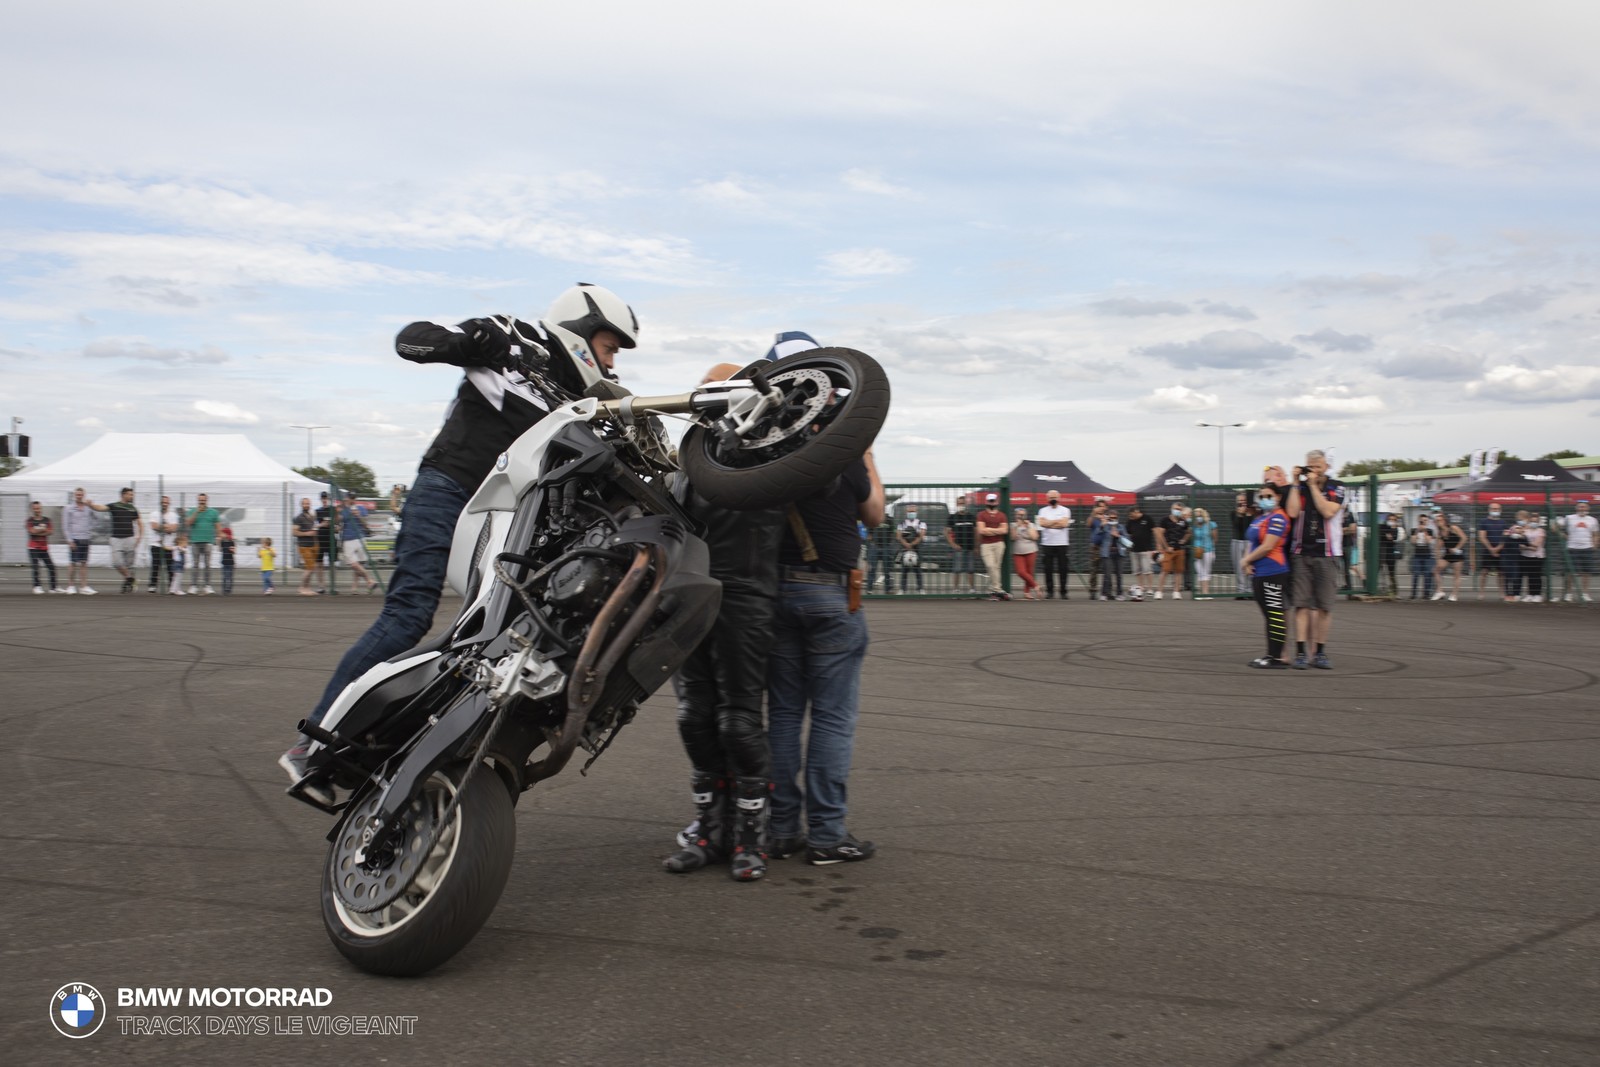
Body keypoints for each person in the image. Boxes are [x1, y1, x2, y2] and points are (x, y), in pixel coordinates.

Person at [281, 282, 640, 791]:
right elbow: (412, 339)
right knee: (408, 614)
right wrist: (470, 342)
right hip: (448, 490)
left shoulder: (585, 401)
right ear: (582, 330)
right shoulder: (514, 339)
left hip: (511, 520)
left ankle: (406, 741)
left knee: (496, 636)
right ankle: (315, 741)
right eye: (609, 347)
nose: (610, 362)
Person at [663, 360, 789, 882]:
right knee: (693, 716)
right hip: (689, 593)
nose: (707, 398)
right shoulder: (689, 454)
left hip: (746, 596)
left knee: (738, 721)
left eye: (717, 389)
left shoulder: (774, 447)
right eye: (703, 390)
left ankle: (749, 839)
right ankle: (708, 832)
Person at [767, 448, 886, 865]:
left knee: (783, 714)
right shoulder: (840, 455)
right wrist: (867, 455)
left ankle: (780, 829)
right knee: (832, 718)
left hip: (776, 593)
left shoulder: (765, 460)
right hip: (831, 592)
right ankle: (826, 833)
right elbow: (874, 514)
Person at [1275, 450, 1345, 670]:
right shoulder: (1301, 488)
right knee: (1301, 605)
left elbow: (1328, 511)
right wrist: (1296, 483)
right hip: (1301, 552)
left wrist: (1314, 486)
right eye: (1310, 467)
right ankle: (1301, 652)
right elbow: (1293, 512)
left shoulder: (1337, 487)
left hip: (1328, 553)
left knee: (1324, 606)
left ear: (1326, 467)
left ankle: (1320, 652)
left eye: (1317, 467)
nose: (1313, 471)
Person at [1240, 483, 1291, 668]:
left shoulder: (1279, 518)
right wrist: (1248, 562)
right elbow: (1251, 542)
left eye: (1269, 496)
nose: (1264, 500)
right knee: (1269, 615)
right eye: (1261, 497)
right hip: (1259, 572)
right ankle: (1271, 654)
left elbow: (1268, 545)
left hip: (1273, 571)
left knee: (1275, 614)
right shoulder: (1260, 518)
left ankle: (1277, 657)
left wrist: (1246, 560)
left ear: (1278, 497)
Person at [92, 488, 142, 594]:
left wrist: (139, 536)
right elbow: (101, 508)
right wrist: (91, 505)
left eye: (132, 495)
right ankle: (130, 579)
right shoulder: (114, 505)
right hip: (116, 538)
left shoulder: (132, 508)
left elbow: (139, 523)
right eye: (130, 494)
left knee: (129, 564)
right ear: (123, 495)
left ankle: (127, 584)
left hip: (129, 538)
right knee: (117, 563)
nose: (132, 496)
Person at [338, 493, 379, 593]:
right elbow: (338, 522)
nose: (352, 500)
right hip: (347, 539)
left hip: (360, 538)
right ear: (347, 498)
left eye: (353, 498)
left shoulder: (361, 508)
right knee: (353, 564)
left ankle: (355, 587)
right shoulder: (343, 510)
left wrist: (358, 515)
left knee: (359, 564)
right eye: (350, 498)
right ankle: (369, 580)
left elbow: (366, 525)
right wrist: (337, 512)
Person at [1035, 490, 1072, 600]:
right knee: (1048, 568)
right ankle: (1050, 591)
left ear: (1059, 498)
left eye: (1055, 497)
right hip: (1047, 543)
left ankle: (1063, 591)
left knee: (1063, 568)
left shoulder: (1065, 510)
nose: (1053, 499)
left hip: (1062, 543)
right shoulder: (1042, 510)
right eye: (1051, 497)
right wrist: (1056, 522)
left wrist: (1049, 523)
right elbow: (1042, 523)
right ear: (1047, 499)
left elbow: (1064, 524)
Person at [1558, 499, 1596, 602]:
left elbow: (1596, 534)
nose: (1582, 508)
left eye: (1584, 506)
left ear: (1588, 508)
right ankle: (1568, 594)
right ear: (1576, 508)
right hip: (1572, 548)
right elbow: (1555, 526)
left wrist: (1594, 545)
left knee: (1586, 573)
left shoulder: (1592, 520)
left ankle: (1585, 594)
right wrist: (1564, 535)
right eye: (1580, 506)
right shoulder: (1569, 518)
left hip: (1587, 548)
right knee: (1570, 572)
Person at [183, 492, 221, 594]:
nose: (202, 502)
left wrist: (218, 537)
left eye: (203, 500)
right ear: (197, 501)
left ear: (207, 500)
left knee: (207, 565)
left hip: (208, 541)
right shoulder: (192, 511)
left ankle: (207, 585)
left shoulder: (213, 512)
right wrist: (197, 512)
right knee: (195, 564)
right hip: (195, 541)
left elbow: (218, 526)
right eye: (200, 500)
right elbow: (188, 523)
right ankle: (194, 585)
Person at [62, 487, 96, 594]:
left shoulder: (88, 508)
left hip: (85, 538)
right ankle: (70, 586)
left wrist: (91, 506)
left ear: (84, 495)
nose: (79, 496)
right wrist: (69, 540)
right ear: (74, 495)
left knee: (84, 563)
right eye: (77, 495)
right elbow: (65, 525)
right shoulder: (68, 508)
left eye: (81, 495)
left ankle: (83, 586)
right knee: (73, 563)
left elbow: (95, 519)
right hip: (74, 539)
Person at [977, 493, 1010, 601]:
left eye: (993, 501)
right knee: (991, 566)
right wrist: (996, 530)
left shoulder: (1002, 515)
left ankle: (993, 591)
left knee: (996, 567)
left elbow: (1004, 530)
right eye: (990, 501)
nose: (992, 503)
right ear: (986, 502)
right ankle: (998, 589)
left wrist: (990, 530)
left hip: (999, 543)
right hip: (986, 544)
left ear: (997, 502)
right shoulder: (981, 514)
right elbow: (981, 530)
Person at [1154, 503, 1190, 600]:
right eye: (1176, 509)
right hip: (1168, 549)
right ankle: (1159, 591)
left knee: (1178, 571)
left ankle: (1176, 592)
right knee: (1165, 570)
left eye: (1179, 509)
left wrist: (1184, 540)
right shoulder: (1165, 520)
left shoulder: (1183, 521)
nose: (1177, 510)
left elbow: (1189, 532)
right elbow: (1160, 534)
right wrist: (1165, 547)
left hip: (1180, 549)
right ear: (1171, 509)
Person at [1476, 502, 1511, 601]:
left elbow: (1506, 537)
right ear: (1489, 510)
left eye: (1497, 509)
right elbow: (1482, 537)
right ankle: (1481, 592)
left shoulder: (1503, 523)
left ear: (1500, 510)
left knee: (1501, 573)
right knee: (1484, 572)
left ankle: (1501, 593)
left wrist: (1498, 548)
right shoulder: (1484, 522)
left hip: (1501, 551)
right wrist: (1491, 549)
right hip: (1487, 551)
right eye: (1494, 509)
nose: (1495, 510)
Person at [945, 495, 979, 595]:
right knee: (957, 569)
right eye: (959, 503)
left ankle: (972, 589)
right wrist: (952, 544)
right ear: (956, 504)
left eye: (963, 503)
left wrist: (976, 546)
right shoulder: (952, 517)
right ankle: (955, 589)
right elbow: (946, 532)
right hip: (958, 548)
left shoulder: (971, 517)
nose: (961, 505)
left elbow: (976, 532)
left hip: (970, 547)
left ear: (966, 504)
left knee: (971, 569)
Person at [26, 501, 61, 594]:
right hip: (33, 547)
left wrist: (38, 530)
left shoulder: (47, 520)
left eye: (38, 508)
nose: (37, 510)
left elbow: (50, 532)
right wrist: (43, 529)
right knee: (36, 567)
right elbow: (32, 531)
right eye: (35, 508)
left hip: (43, 548)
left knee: (51, 567)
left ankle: (53, 587)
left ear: (41, 509)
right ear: (32, 509)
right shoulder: (30, 520)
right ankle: (37, 586)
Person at [1091, 510, 1126, 601]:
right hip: (1107, 553)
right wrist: (1101, 526)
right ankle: (1104, 593)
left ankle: (1119, 593)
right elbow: (1095, 539)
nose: (1113, 519)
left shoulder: (1121, 527)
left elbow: (1128, 543)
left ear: (1117, 517)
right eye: (1111, 517)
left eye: (1114, 517)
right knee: (1107, 574)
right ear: (1107, 518)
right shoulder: (1104, 527)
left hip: (1119, 552)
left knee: (1119, 574)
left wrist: (1118, 536)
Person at [148, 495, 179, 593]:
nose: (164, 504)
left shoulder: (173, 515)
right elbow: (154, 526)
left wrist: (162, 527)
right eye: (163, 502)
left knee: (170, 566)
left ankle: (171, 586)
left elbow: (174, 528)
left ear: (169, 504)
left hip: (169, 545)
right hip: (156, 544)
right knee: (155, 565)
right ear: (160, 503)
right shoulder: (154, 514)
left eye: (166, 502)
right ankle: (153, 585)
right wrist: (167, 527)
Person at [1123, 505, 1156, 597]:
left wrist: (1156, 546)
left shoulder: (1147, 518)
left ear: (1136, 511)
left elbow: (1154, 530)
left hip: (1146, 549)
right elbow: (1127, 533)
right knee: (1137, 570)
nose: (1131, 517)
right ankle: (1141, 587)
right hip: (1134, 549)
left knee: (1148, 570)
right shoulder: (1130, 521)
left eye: (1131, 515)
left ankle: (1150, 588)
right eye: (1129, 516)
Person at [1230, 493, 1259, 598]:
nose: (1242, 503)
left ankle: (1250, 589)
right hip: (1237, 541)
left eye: (1244, 501)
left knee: (1250, 565)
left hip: (1249, 542)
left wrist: (1247, 515)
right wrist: (1240, 515)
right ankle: (1240, 590)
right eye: (1240, 501)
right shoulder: (1233, 513)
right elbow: (1237, 526)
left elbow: (1250, 527)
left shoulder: (1252, 513)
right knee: (1238, 566)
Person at [1433, 512, 1467, 602]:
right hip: (1448, 554)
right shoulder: (1440, 533)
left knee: (1456, 574)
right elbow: (1438, 547)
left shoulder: (1454, 528)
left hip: (1457, 553)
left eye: (1440, 520)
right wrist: (1438, 558)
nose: (1438, 522)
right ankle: (1440, 591)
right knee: (1436, 570)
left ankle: (1454, 594)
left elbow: (1464, 538)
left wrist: (1457, 548)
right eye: (1437, 521)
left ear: (1444, 521)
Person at [292, 497, 321, 595]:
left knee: (311, 568)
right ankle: (301, 587)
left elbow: (314, 529)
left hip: (313, 544)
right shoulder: (299, 518)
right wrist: (307, 534)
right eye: (304, 504)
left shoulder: (311, 517)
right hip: (304, 546)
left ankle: (307, 588)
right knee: (310, 568)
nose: (306, 505)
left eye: (308, 503)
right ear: (301, 505)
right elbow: (294, 532)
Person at [1011, 507, 1040, 599]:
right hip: (1018, 551)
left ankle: (1027, 592)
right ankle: (1036, 585)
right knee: (1021, 572)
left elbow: (1034, 537)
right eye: (1019, 515)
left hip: (1031, 550)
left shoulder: (1031, 525)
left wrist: (1028, 527)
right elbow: (1012, 537)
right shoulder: (1012, 525)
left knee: (1029, 571)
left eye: (1023, 515)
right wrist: (1017, 526)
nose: (1021, 516)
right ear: (1015, 516)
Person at [897, 506, 927, 595]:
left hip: (917, 548)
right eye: (909, 511)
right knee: (904, 569)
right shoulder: (902, 524)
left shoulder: (921, 523)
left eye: (913, 511)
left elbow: (921, 536)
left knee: (918, 569)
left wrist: (912, 544)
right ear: (906, 512)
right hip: (905, 548)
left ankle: (920, 588)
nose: (911, 513)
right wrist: (906, 544)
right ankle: (902, 589)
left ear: (916, 512)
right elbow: (898, 536)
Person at [1518, 512, 1546, 603]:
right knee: (1529, 576)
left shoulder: (1541, 531)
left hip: (1537, 556)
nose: (1533, 523)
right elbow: (1521, 543)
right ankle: (1530, 594)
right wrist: (1528, 546)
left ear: (1538, 522)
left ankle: (1537, 594)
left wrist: (1526, 545)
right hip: (1526, 556)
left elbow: (1537, 545)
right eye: (1532, 521)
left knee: (1536, 575)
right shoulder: (1526, 530)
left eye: (1535, 521)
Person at [865, 514, 897, 593]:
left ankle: (888, 589)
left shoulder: (889, 520)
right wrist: (868, 548)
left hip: (886, 547)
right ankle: (869, 589)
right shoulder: (873, 518)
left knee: (887, 570)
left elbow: (894, 534)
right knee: (872, 569)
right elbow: (869, 535)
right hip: (875, 546)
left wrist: (891, 546)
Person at [1408, 514, 1437, 600]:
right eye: (1421, 520)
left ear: (1427, 522)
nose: (1423, 522)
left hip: (1427, 555)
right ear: (1418, 521)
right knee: (1416, 573)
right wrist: (1417, 531)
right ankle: (1413, 593)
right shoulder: (1413, 530)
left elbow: (1429, 541)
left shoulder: (1430, 531)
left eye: (1425, 520)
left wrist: (1424, 531)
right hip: (1417, 555)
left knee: (1427, 574)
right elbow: (1413, 541)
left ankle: (1426, 594)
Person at [1191, 507, 1217, 595]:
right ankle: (1203, 591)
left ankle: (1206, 592)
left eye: (1200, 515)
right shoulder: (1193, 526)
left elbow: (1215, 538)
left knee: (1206, 571)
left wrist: (1212, 549)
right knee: (1200, 571)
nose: (1198, 517)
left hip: (1208, 550)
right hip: (1196, 550)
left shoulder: (1211, 524)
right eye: (1196, 515)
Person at [313, 491, 336, 588]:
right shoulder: (317, 511)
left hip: (331, 539)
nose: (324, 500)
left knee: (332, 563)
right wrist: (321, 524)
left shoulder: (333, 509)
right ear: (321, 499)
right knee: (319, 563)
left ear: (329, 499)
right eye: (323, 498)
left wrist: (333, 525)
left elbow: (338, 523)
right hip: (320, 538)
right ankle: (321, 585)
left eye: (326, 498)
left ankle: (332, 585)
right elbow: (314, 526)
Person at [1379, 513, 1402, 596]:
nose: (1392, 521)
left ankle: (1394, 590)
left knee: (1391, 573)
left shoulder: (1395, 529)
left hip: (1390, 552)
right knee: (1379, 570)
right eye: (1390, 520)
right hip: (1382, 552)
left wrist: (1388, 534)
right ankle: (1380, 588)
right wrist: (1386, 534)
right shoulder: (1382, 526)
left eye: (1393, 520)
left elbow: (1393, 537)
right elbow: (1381, 532)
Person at [218, 525, 237, 595]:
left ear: (227, 534)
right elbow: (220, 549)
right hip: (224, 561)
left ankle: (228, 590)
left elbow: (234, 551)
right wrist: (219, 541)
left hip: (230, 562)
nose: (221, 534)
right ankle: (224, 590)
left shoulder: (231, 542)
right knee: (224, 577)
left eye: (223, 533)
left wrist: (232, 550)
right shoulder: (223, 542)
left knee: (229, 576)